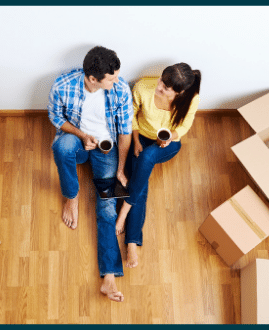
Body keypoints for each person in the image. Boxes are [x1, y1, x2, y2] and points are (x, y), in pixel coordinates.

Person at [48, 46, 133, 302]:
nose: (117, 81)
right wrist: (82, 135)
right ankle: (71, 196)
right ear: (93, 78)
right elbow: (55, 117)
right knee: (61, 147)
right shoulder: (63, 86)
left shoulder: (121, 89)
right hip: (78, 141)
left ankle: (108, 275)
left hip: (106, 150)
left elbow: (125, 131)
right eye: (112, 77)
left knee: (106, 207)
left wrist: (120, 168)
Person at [115, 63, 201, 268]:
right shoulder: (143, 87)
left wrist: (171, 137)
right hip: (141, 138)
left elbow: (185, 126)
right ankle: (132, 242)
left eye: (165, 88)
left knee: (146, 160)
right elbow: (131, 116)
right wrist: (135, 140)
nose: (159, 87)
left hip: (167, 145)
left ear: (179, 92)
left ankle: (124, 212)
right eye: (161, 81)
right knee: (140, 181)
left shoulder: (191, 98)